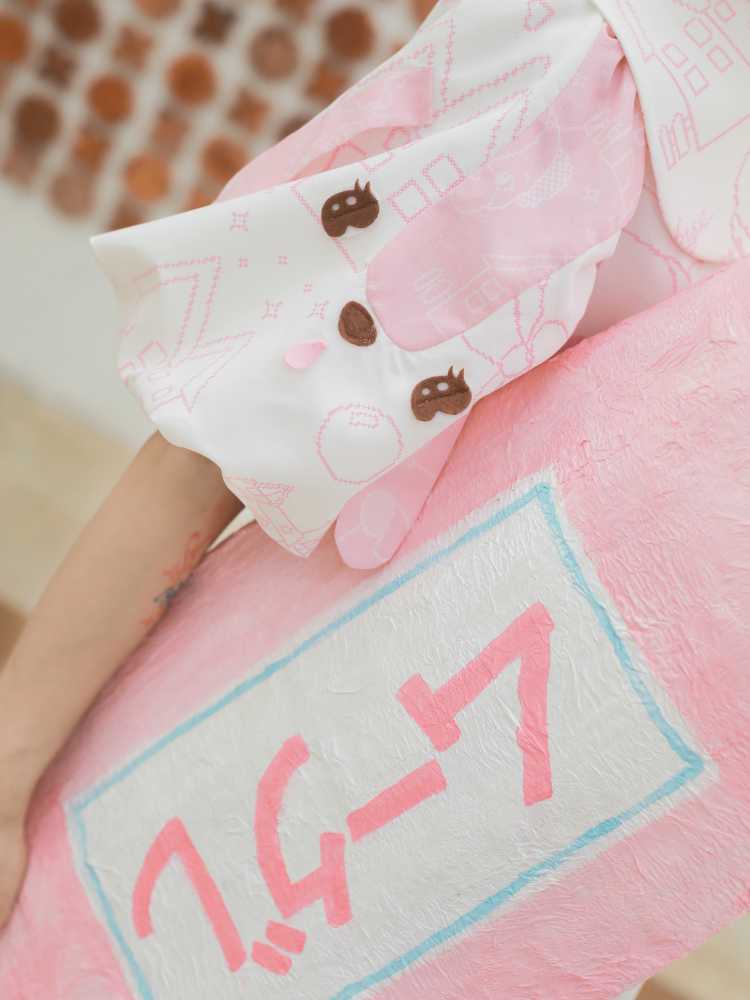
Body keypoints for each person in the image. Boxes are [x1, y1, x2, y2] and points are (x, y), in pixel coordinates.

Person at [1, 7, 747, 1000]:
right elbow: (233, 436)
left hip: (465, 887)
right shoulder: (602, 67)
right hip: (210, 793)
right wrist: (8, 768)